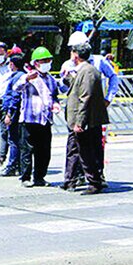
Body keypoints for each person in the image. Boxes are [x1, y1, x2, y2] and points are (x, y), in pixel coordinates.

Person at [63, 38, 109, 195]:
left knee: (86, 152)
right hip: (83, 119)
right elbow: (78, 89)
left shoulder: (88, 71)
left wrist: (80, 122)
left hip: (86, 120)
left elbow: (85, 97)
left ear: (76, 55)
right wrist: (68, 79)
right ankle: (75, 180)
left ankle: (94, 182)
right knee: (79, 150)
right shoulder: (83, 71)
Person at [16, 47, 62, 188]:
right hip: (29, 119)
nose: (47, 63)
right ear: (36, 63)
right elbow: (16, 87)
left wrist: (55, 104)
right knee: (27, 150)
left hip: (45, 120)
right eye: (44, 61)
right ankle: (26, 177)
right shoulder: (29, 77)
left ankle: (40, 177)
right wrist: (26, 79)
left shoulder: (51, 79)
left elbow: (54, 95)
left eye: (48, 61)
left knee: (44, 151)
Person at [0, 52, 27, 178]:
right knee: (17, 139)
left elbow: (14, 97)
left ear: (12, 64)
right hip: (18, 112)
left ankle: (12, 165)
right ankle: (19, 165)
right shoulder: (21, 75)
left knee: (13, 139)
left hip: (14, 113)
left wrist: (9, 114)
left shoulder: (17, 77)